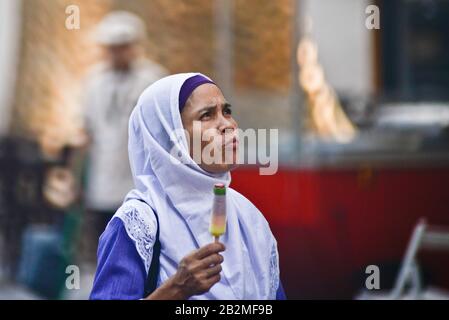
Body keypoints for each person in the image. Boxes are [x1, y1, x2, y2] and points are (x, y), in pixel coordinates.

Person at [90, 73, 285, 300]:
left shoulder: (249, 218)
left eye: (227, 111)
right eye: (207, 115)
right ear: (172, 137)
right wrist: (176, 290)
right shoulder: (138, 224)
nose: (227, 125)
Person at [82, 11, 168, 253]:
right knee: (105, 242)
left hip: (139, 181)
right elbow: (87, 127)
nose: (116, 54)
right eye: (112, 48)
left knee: (138, 245)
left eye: (122, 47)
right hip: (102, 177)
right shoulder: (93, 81)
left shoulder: (153, 78)